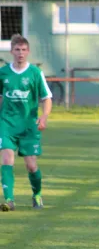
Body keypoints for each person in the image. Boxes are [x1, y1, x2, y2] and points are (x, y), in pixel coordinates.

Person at [0, 35, 52, 211]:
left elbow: (46, 97)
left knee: (31, 166)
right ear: (11, 51)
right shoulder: (3, 73)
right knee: (7, 159)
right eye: (17, 49)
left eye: (23, 50)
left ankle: (37, 195)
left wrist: (44, 117)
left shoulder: (35, 73)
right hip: (6, 124)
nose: (20, 53)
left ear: (28, 51)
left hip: (29, 126)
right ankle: (9, 200)